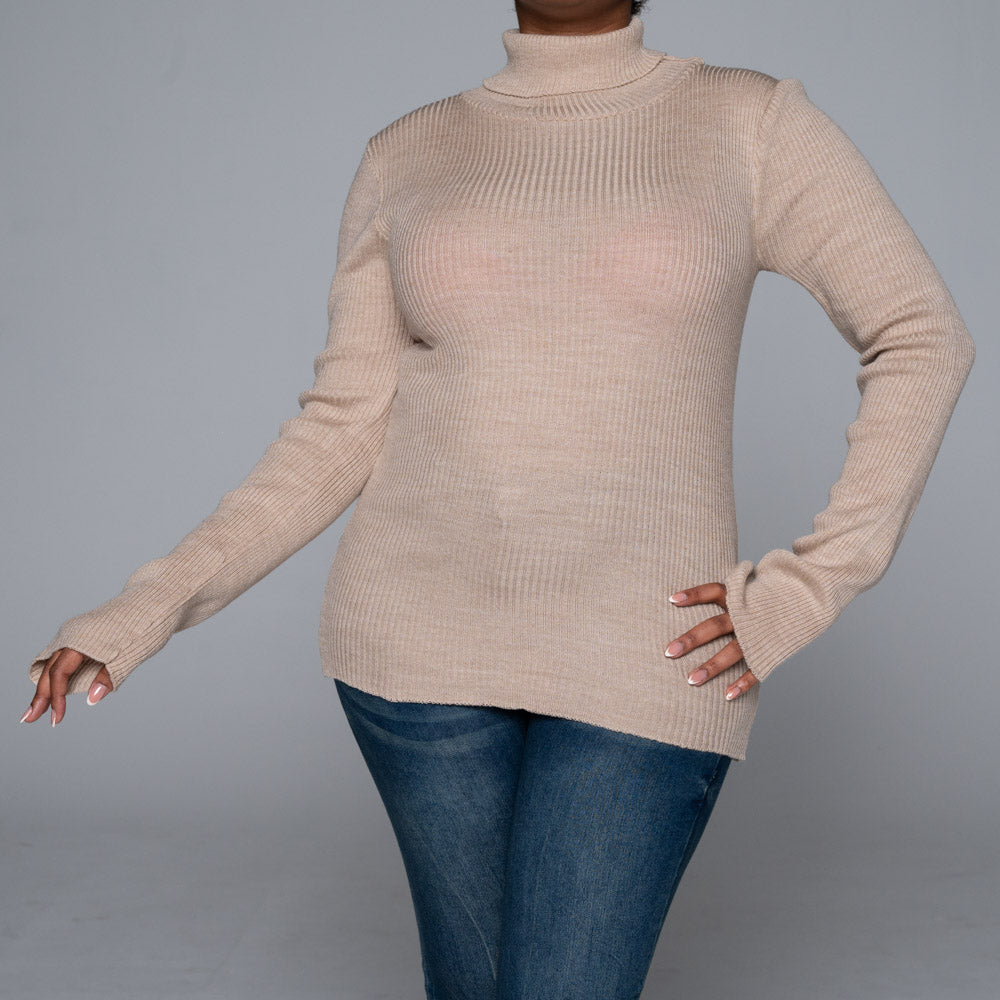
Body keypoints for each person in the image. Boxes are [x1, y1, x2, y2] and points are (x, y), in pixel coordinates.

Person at [21, 0, 975, 996]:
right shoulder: (409, 151)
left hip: (644, 650)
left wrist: (803, 590)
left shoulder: (750, 123)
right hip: (416, 654)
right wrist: (145, 608)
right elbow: (341, 426)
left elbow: (922, 334)